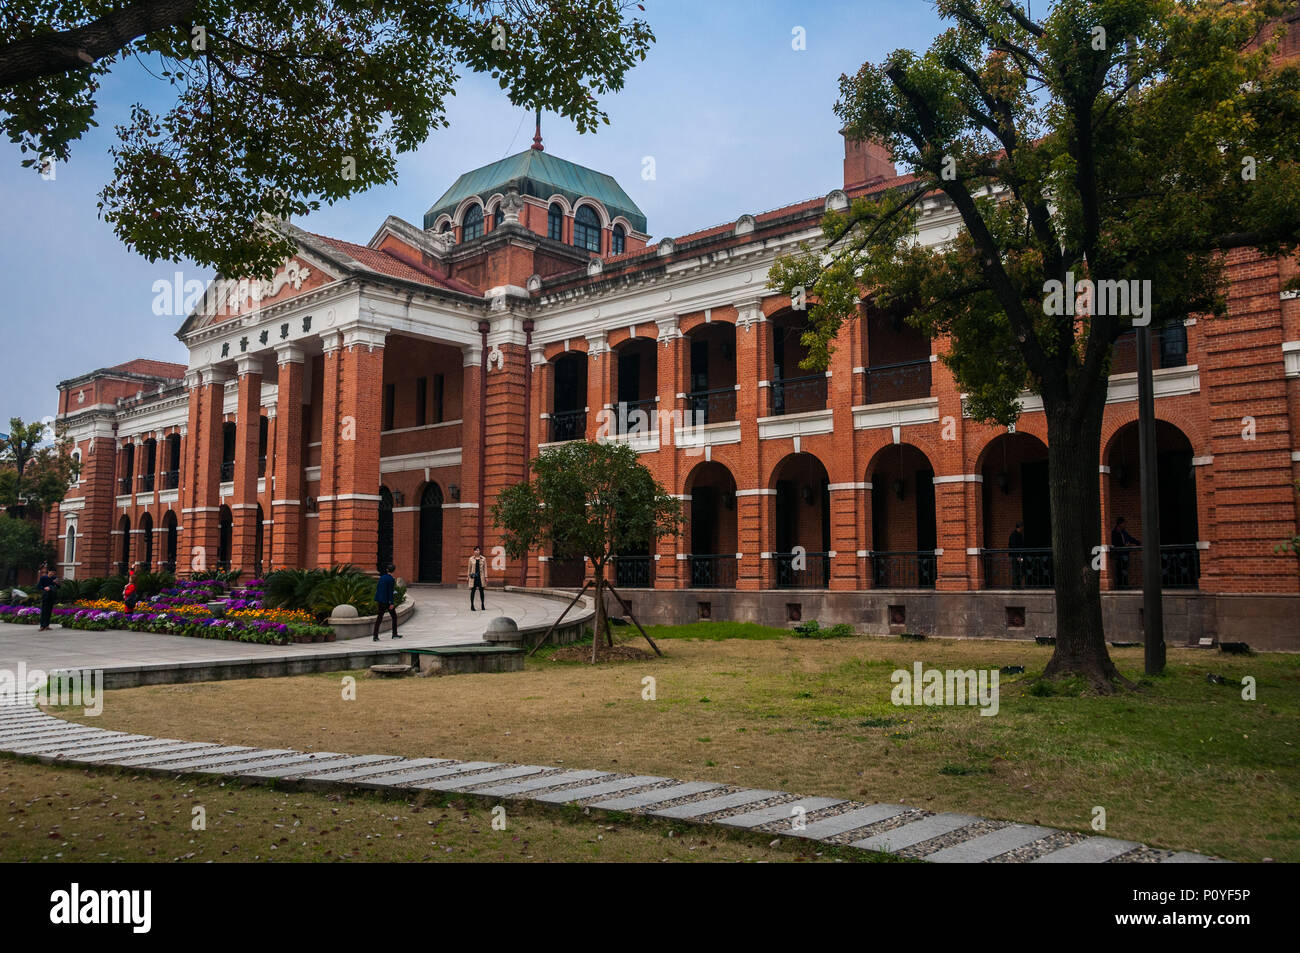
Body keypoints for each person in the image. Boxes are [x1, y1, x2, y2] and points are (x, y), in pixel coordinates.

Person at [372, 563, 401, 641]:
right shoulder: (391, 579)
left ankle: (375, 636)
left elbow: (378, 588)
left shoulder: (382, 577)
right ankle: (394, 634)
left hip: (380, 600)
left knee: (379, 618)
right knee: (394, 617)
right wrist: (391, 603)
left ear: (387, 570)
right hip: (387, 601)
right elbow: (390, 592)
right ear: (393, 570)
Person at [1111, 517, 1141, 587]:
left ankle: (1125, 584)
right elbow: (1115, 543)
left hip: (1125, 554)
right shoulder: (1114, 533)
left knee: (1125, 570)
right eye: (1124, 523)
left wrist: (1139, 543)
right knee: (1120, 570)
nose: (1125, 525)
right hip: (1119, 555)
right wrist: (1124, 545)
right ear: (1120, 524)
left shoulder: (1124, 532)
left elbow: (1130, 538)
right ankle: (1120, 585)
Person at [36, 564, 59, 631]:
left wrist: (57, 583)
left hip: (52, 596)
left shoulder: (54, 578)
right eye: (51, 572)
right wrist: (44, 588)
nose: (52, 573)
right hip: (45, 596)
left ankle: (47, 625)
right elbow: (38, 586)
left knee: (49, 611)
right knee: (44, 611)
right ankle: (42, 626)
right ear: (48, 571)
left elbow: (58, 587)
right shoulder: (43, 578)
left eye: (54, 572)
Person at [468, 546, 487, 611]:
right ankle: (472, 605)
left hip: (481, 577)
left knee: (482, 591)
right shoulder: (471, 559)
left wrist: (486, 577)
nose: (477, 551)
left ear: (480, 551)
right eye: (476, 550)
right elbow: (469, 569)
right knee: (473, 591)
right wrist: (468, 576)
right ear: (474, 551)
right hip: (473, 577)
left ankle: (482, 604)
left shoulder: (483, 559)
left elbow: (485, 569)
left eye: (478, 550)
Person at [1008, 521, 1026, 588]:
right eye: (1022, 527)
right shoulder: (1013, 535)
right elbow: (1013, 547)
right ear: (1019, 527)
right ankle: (1015, 586)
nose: (1022, 528)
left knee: (1020, 570)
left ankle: (1018, 585)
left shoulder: (1019, 534)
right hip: (1015, 556)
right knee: (1016, 570)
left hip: (1019, 555)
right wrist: (1017, 556)